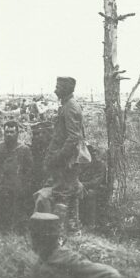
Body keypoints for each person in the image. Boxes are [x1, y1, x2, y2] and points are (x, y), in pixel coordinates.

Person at [26, 212, 121, 278]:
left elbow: (111, 276)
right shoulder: (40, 262)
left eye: (35, 237)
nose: (33, 241)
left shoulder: (69, 260)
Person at [42, 77, 88, 233]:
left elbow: (73, 137)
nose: (55, 90)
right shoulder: (68, 105)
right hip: (69, 159)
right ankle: (74, 230)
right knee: (71, 192)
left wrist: (58, 158)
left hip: (66, 161)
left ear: (67, 89)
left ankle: (60, 233)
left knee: (62, 194)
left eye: (58, 87)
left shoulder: (70, 107)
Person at [0, 120, 33, 234]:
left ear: (17, 133)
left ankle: (16, 229)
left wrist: (23, 185)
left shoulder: (24, 150)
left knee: (18, 205)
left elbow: (28, 171)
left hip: (18, 186)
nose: (9, 134)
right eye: (7, 132)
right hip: (0, 184)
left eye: (12, 132)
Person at [79, 145, 107, 228]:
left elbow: (96, 182)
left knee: (90, 194)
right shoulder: (82, 164)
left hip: (98, 189)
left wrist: (82, 184)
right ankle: (76, 221)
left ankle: (91, 224)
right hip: (82, 186)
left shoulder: (100, 165)